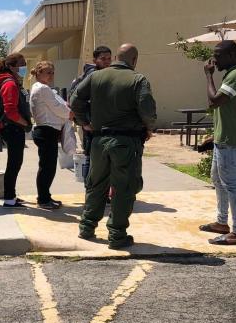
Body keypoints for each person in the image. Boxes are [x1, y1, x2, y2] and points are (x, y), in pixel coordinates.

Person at [69, 43, 157, 249]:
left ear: (116, 57)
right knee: (123, 187)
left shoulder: (95, 76)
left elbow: (74, 100)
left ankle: (87, 227)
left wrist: (84, 122)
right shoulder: (138, 79)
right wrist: (149, 127)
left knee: (96, 184)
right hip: (126, 141)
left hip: (99, 140)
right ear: (134, 60)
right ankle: (117, 235)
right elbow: (147, 108)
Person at [199, 41, 236, 245]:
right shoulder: (232, 73)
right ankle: (222, 222)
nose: (214, 60)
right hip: (224, 137)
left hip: (231, 140)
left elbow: (214, 101)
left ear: (232, 54)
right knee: (217, 179)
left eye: (219, 55)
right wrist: (215, 135)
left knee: (231, 183)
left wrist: (208, 75)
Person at [29, 60, 70, 209]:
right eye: (48, 72)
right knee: (47, 167)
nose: (51, 75)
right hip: (46, 131)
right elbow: (58, 108)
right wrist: (69, 114)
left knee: (47, 166)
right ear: (39, 73)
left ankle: (45, 196)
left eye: (52, 72)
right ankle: (43, 199)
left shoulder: (37, 87)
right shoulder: (43, 89)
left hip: (45, 131)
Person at [0, 54, 32, 207]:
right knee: (14, 163)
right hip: (13, 128)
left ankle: (11, 195)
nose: (24, 67)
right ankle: (9, 198)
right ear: (11, 66)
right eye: (21, 64)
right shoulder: (10, 84)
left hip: (11, 128)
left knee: (15, 163)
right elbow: (10, 111)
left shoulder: (10, 82)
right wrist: (25, 123)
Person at [69, 45, 113, 173]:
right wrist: (85, 123)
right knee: (92, 160)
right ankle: (90, 189)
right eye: (103, 58)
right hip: (93, 127)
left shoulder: (105, 74)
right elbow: (75, 101)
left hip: (102, 126)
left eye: (109, 58)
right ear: (95, 60)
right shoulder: (93, 76)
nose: (107, 61)